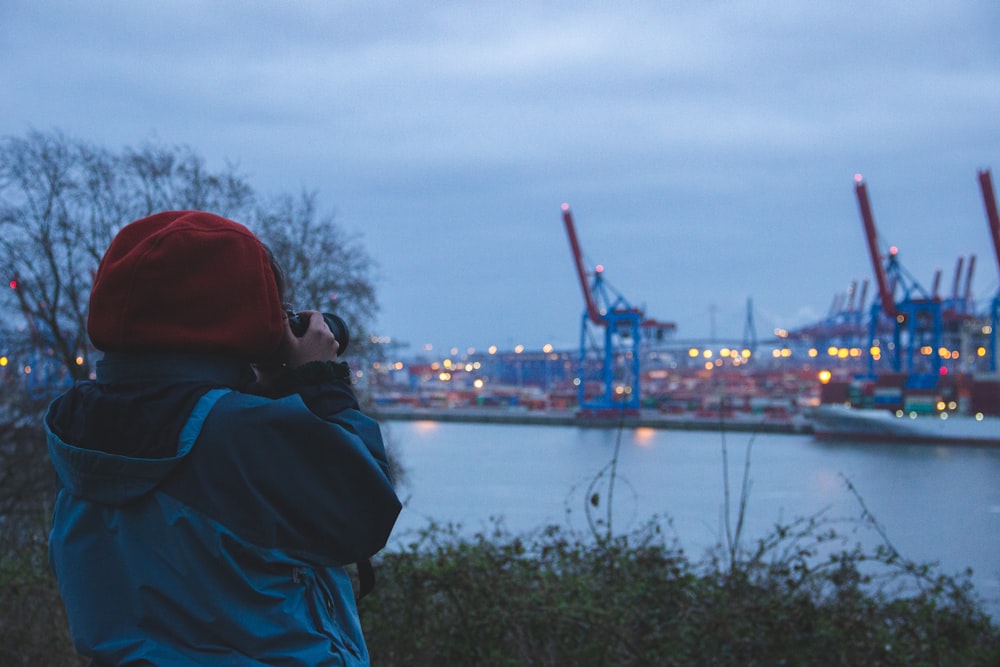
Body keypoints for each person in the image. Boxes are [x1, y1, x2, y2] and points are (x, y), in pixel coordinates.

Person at [45, 210, 401, 666]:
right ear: (239, 320)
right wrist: (321, 382)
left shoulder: (75, 425)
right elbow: (366, 512)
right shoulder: (239, 434)